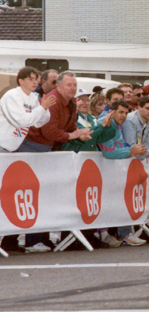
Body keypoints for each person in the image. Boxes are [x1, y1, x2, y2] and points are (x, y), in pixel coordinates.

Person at [20, 71, 92, 253]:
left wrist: (80, 132)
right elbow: (49, 131)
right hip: (34, 147)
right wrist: (72, 135)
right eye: (69, 85)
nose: (73, 88)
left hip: (47, 149)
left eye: (75, 85)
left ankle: (37, 239)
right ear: (58, 87)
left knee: (45, 194)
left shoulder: (71, 103)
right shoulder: (53, 101)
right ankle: (30, 241)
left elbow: (69, 126)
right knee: (34, 193)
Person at [97, 100, 149, 247]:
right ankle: (104, 233)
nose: (124, 115)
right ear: (112, 112)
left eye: (126, 113)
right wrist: (130, 152)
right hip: (102, 168)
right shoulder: (106, 123)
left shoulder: (117, 125)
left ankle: (123, 233)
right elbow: (109, 151)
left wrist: (131, 149)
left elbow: (120, 144)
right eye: (121, 112)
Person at [0, 66, 55, 153]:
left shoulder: (33, 97)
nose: (35, 82)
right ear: (21, 81)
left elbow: (38, 122)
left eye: (36, 79)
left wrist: (45, 109)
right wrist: (42, 108)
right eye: (30, 79)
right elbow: (21, 121)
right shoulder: (12, 95)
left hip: (10, 149)